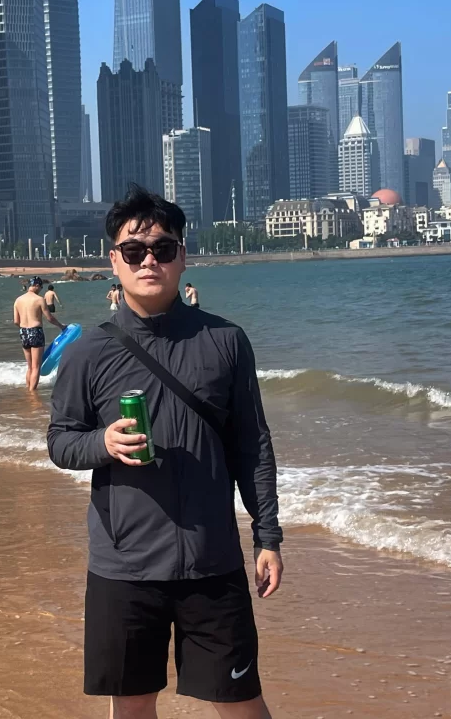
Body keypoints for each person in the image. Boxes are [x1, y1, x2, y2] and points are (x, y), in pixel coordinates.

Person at [48, 186, 282, 719]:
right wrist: (102, 443)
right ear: (114, 261)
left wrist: (267, 537)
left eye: (162, 248)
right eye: (134, 251)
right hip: (124, 566)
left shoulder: (226, 341)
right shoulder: (88, 352)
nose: (148, 260)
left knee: (242, 705)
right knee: (132, 708)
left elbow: (253, 445)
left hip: (211, 561)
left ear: (182, 256)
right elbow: (60, 441)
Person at [14, 277, 65, 392]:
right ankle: (32, 394)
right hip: (35, 331)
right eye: (41, 287)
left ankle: (29, 389)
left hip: (23, 332)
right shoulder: (39, 299)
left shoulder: (18, 300)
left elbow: (16, 321)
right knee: (36, 366)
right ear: (36, 285)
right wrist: (61, 326)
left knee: (30, 366)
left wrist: (25, 328)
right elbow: (50, 318)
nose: (41, 290)